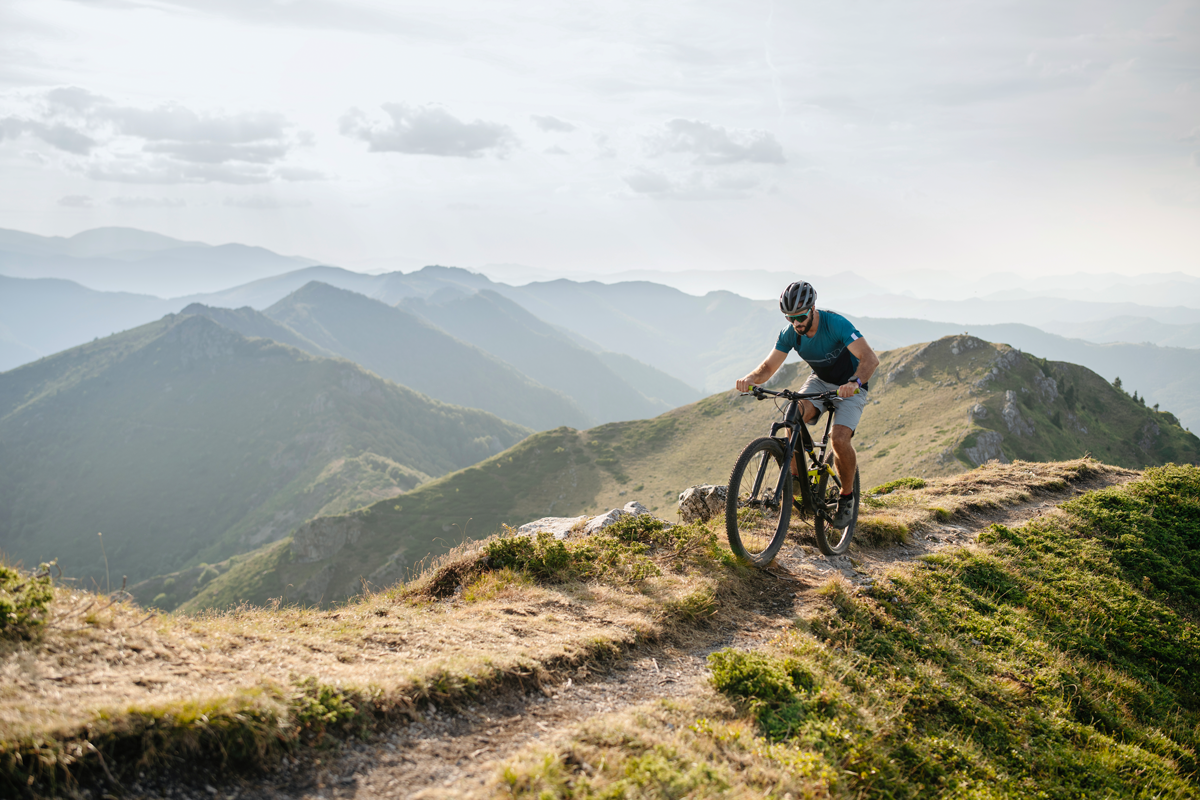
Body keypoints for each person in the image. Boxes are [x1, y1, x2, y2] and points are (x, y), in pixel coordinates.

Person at [735, 280, 879, 528]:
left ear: (813, 308)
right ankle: (797, 476)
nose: (796, 323)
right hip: (820, 382)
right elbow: (768, 367)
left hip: (850, 386)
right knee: (794, 413)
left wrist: (855, 382)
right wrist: (750, 379)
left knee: (839, 439)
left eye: (801, 316)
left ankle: (847, 497)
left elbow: (870, 359)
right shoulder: (791, 333)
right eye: (790, 318)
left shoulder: (836, 324)